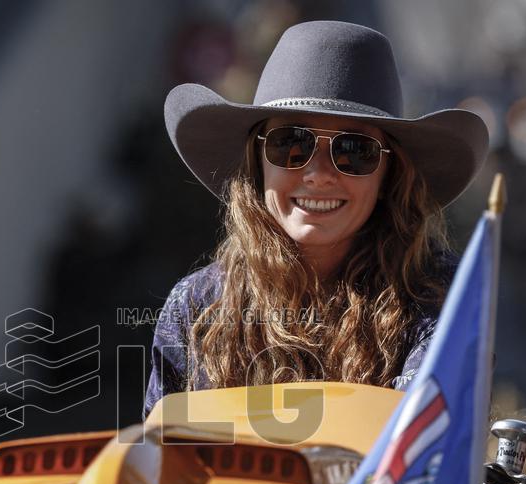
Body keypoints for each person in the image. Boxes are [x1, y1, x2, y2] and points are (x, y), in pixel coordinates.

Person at [143, 20, 489, 418]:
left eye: (355, 150)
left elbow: (418, 453)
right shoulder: (195, 306)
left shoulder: (439, 296)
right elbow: (160, 464)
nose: (319, 173)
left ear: (389, 174)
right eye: (291, 143)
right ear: (257, 164)